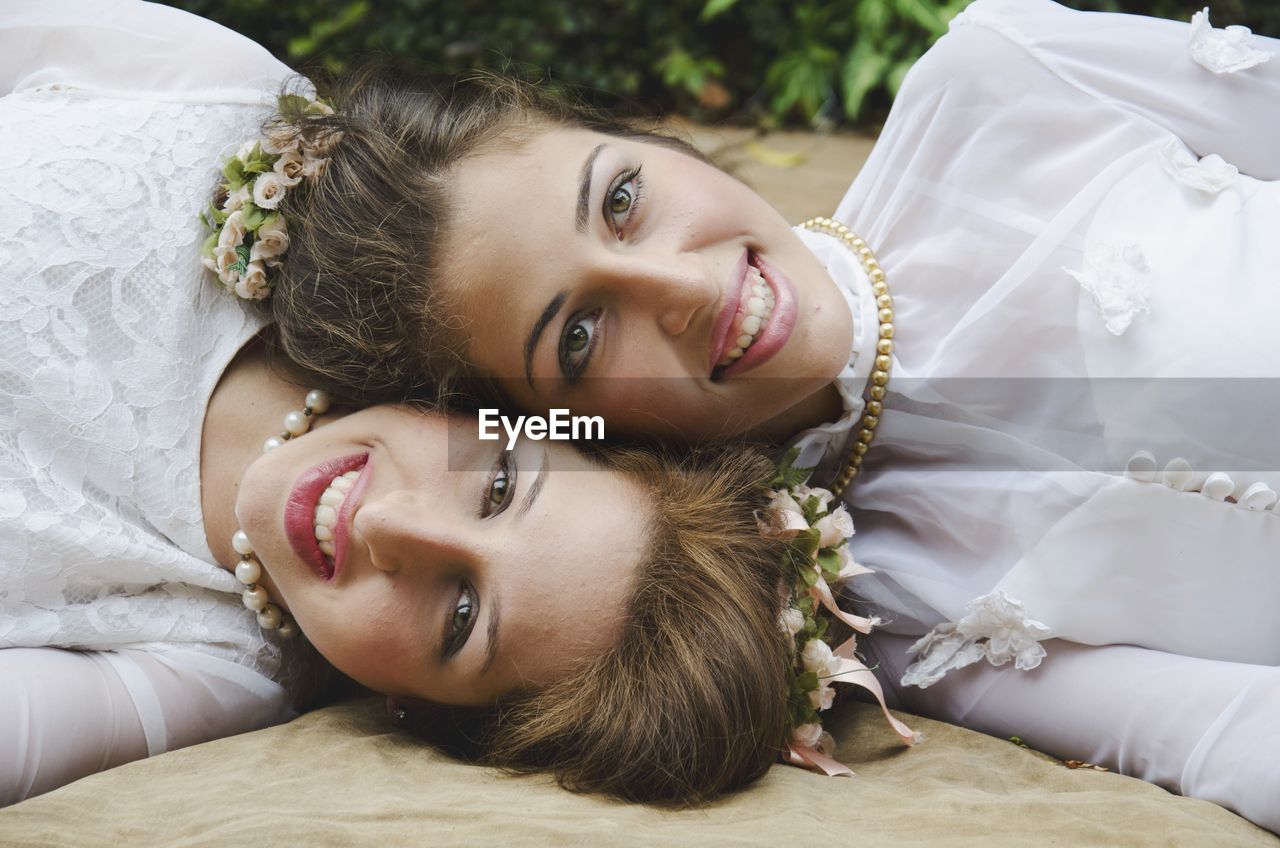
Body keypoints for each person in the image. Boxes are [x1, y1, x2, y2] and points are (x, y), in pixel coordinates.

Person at [262, 0, 1280, 832]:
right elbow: (1231, 733)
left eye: (620, 199)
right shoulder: (898, 605)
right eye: (578, 338)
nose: (682, 287)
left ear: (651, 139)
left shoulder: (999, 81)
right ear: (566, 431)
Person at [0, 0, 802, 808]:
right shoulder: (233, 113)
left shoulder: (196, 676)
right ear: (503, 409)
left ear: (419, 709)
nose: (388, 528)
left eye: (460, 617)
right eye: (496, 487)